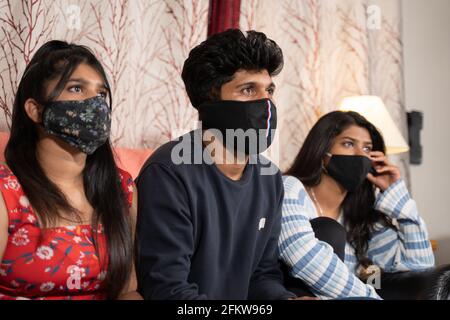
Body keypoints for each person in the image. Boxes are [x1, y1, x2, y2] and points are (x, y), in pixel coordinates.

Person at [136, 29, 295, 300]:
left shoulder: (270, 178)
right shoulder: (168, 174)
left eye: (269, 90)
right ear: (211, 100)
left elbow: (262, 275)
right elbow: (167, 290)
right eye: (248, 90)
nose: (266, 104)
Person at [0, 41, 141, 300]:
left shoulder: (121, 188)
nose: (96, 105)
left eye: (101, 95)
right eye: (76, 88)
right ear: (36, 110)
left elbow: (128, 290)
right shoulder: (6, 192)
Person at [279, 111, 434, 300]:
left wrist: (397, 193)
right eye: (348, 144)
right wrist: (370, 298)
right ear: (322, 152)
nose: (361, 155)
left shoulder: (362, 220)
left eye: (368, 149)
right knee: (328, 230)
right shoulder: (290, 188)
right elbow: (304, 258)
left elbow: (420, 266)